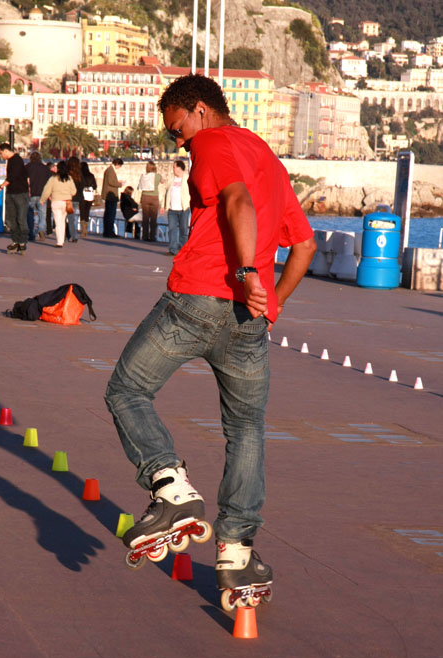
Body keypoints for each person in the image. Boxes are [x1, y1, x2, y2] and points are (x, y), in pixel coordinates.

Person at [105, 73, 316, 602]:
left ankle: (171, 487)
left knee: (126, 390)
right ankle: (237, 548)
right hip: (249, 322)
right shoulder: (263, 152)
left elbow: (238, 202)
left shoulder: (212, 143)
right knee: (246, 428)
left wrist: (245, 272)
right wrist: (273, 300)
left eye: (177, 129)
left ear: (199, 111)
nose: (179, 142)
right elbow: (306, 244)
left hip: (198, 300)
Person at [0, 143, 29, 254]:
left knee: (21, 218)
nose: (1, 156)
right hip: (11, 193)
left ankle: (22, 242)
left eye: (1, 153)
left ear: (5, 151)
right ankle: (16, 241)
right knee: (11, 218)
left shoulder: (17, 160)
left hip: (20, 194)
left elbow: (12, 176)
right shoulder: (11, 161)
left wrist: (0, 187)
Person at [39, 160, 76, 248]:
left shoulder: (53, 178)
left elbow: (47, 189)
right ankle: (61, 240)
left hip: (56, 201)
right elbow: (74, 191)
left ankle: (59, 242)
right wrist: (69, 195)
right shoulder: (69, 178)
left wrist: (42, 199)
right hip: (66, 202)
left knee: (58, 221)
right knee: (62, 221)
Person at [164, 159, 190, 255]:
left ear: (180, 168)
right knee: (172, 230)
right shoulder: (171, 179)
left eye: (175, 167)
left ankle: (184, 250)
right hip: (172, 209)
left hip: (183, 209)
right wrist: (164, 205)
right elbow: (166, 192)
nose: (173, 169)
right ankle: (172, 249)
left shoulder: (187, 179)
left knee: (183, 230)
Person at [25, 151, 51, 241]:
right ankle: (41, 231)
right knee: (42, 214)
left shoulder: (27, 167)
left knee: (30, 214)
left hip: (30, 193)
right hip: (43, 194)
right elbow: (49, 183)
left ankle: (31, 233)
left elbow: (25, 180)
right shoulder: (45, 168)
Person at [137, 160, 162, 242]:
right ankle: (152, 236)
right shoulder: (157, 176)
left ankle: (145, 236)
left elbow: (139, 187)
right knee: (153, 219)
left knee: (145, 218)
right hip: (154, 197)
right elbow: (162, 181)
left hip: (145, 197)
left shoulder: (143, 176)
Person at [101, 157, 123, 238]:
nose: (119, 168)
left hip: (109, 196)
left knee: (108, 214)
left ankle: (107, 231)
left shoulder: (109, 170)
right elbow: (111, 182)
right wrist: (120, 184)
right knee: (110, 214)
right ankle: (109, 232)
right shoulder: (111, 171)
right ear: (117, 164)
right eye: (119, 166)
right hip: (111, 196)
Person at [66, 156, 83, 243]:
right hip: (76, 199)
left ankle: (68, 235)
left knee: (67, 217)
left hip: (68, 198)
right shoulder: (79, 174)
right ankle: (74, 235)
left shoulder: (67, 174)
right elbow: (82, 186)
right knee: (73, 218)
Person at [79, 161, 97, 238]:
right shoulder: (91, 175)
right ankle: (86, 227)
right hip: (89, 196)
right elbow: (95, 186)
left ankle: (83, 230)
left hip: (82, 196)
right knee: (87, 212)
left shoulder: (80, 175)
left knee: (82, 212)